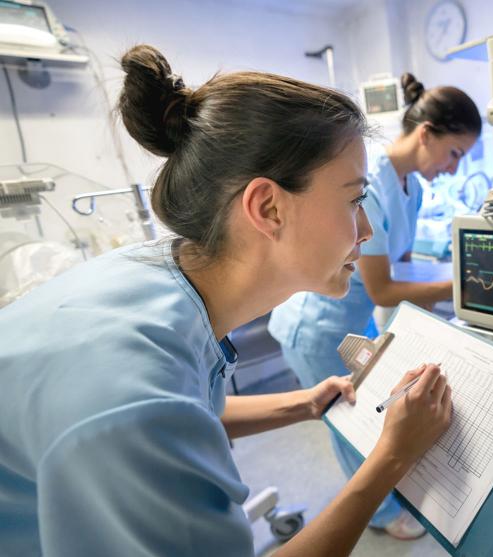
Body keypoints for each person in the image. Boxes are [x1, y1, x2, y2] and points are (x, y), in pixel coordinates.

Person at [0, 45, 452, 557]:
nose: (367, 229)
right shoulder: (128, 398)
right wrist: (390, 459)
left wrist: (303, 403)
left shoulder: (160, 278)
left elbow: (186, 408)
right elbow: (148, 411)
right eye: (353, 200)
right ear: (268, 207)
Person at [268, 73, 480, 539]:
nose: (453, 168)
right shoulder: (374, 184)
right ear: (426, 135)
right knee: (347, 419)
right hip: (318, 325)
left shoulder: (415, 188)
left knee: (371, 409)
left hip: (352, 318)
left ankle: (384, 484)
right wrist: (464, 288)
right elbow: (384, 288)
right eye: (454, 154)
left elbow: (399, 271)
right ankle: (381, 515)